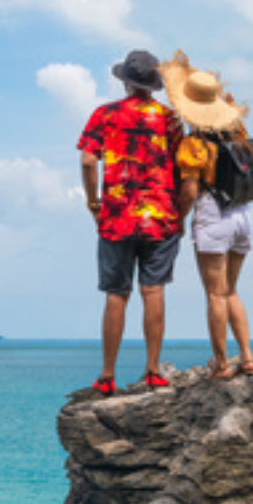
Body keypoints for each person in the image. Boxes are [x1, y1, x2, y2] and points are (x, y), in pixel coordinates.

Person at [77, 49, 184, 396]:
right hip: (160, 216)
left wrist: (94, 201)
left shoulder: (104, 115)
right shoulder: (169, 119)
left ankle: (107, 375)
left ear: (125, 80)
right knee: (153, 291)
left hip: (117, 216)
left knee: (116, 295)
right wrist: (178, 211)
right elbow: (182, 168)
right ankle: (153, 370)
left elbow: (88, 161)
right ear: (152, 84)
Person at [162, 51, 253, 379]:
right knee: (232, 290)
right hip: (242, 213)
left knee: (215, 293)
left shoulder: (194, 144)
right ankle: (246, 357)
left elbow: (189, 190)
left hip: (213, 213)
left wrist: (177, 218)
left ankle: (221, 364)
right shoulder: (237, 131)